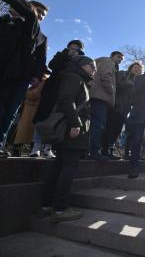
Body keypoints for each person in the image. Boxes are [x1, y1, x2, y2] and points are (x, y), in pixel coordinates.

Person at [41, 55, 95, 222]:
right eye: (91, 66)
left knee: (59, 165)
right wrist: (76, 123)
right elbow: (66, 100)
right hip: (72, 128)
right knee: (68, 166)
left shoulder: (79, 79)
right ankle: (59, 208)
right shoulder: (74, 77)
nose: (94, 70)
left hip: (70, 127)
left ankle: (48, 205)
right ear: (82, 65)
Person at [0, 0, 43, 158]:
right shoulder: (3, 22)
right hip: (3, 74)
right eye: (14, 5)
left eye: (19, 6)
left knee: (10, 112)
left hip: (20, 76)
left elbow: (32, 15)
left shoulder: (30, 27)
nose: (14, 8)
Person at [101, 61, 142, 159]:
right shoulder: (123, 74)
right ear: (131, 67)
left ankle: (110, 151)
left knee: (117, 131)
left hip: (125, 110)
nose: (137, 69)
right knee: (109, 128)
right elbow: (119, 84)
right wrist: (133, 84)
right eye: (135, 67)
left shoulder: (138, 81)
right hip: (116, 106)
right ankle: (104, 150)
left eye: (139, 69)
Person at [88, 51, 123, 161]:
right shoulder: (108, 62)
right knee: (98, 125)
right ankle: (93, 152)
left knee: (94, 124)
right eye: (118, 57)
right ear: (112, 56)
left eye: (121, 59)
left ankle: (88, 151)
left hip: (95, 97)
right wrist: (112, 92)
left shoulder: (100, 62)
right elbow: (106, 77)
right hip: (101, 97)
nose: (120, 60)